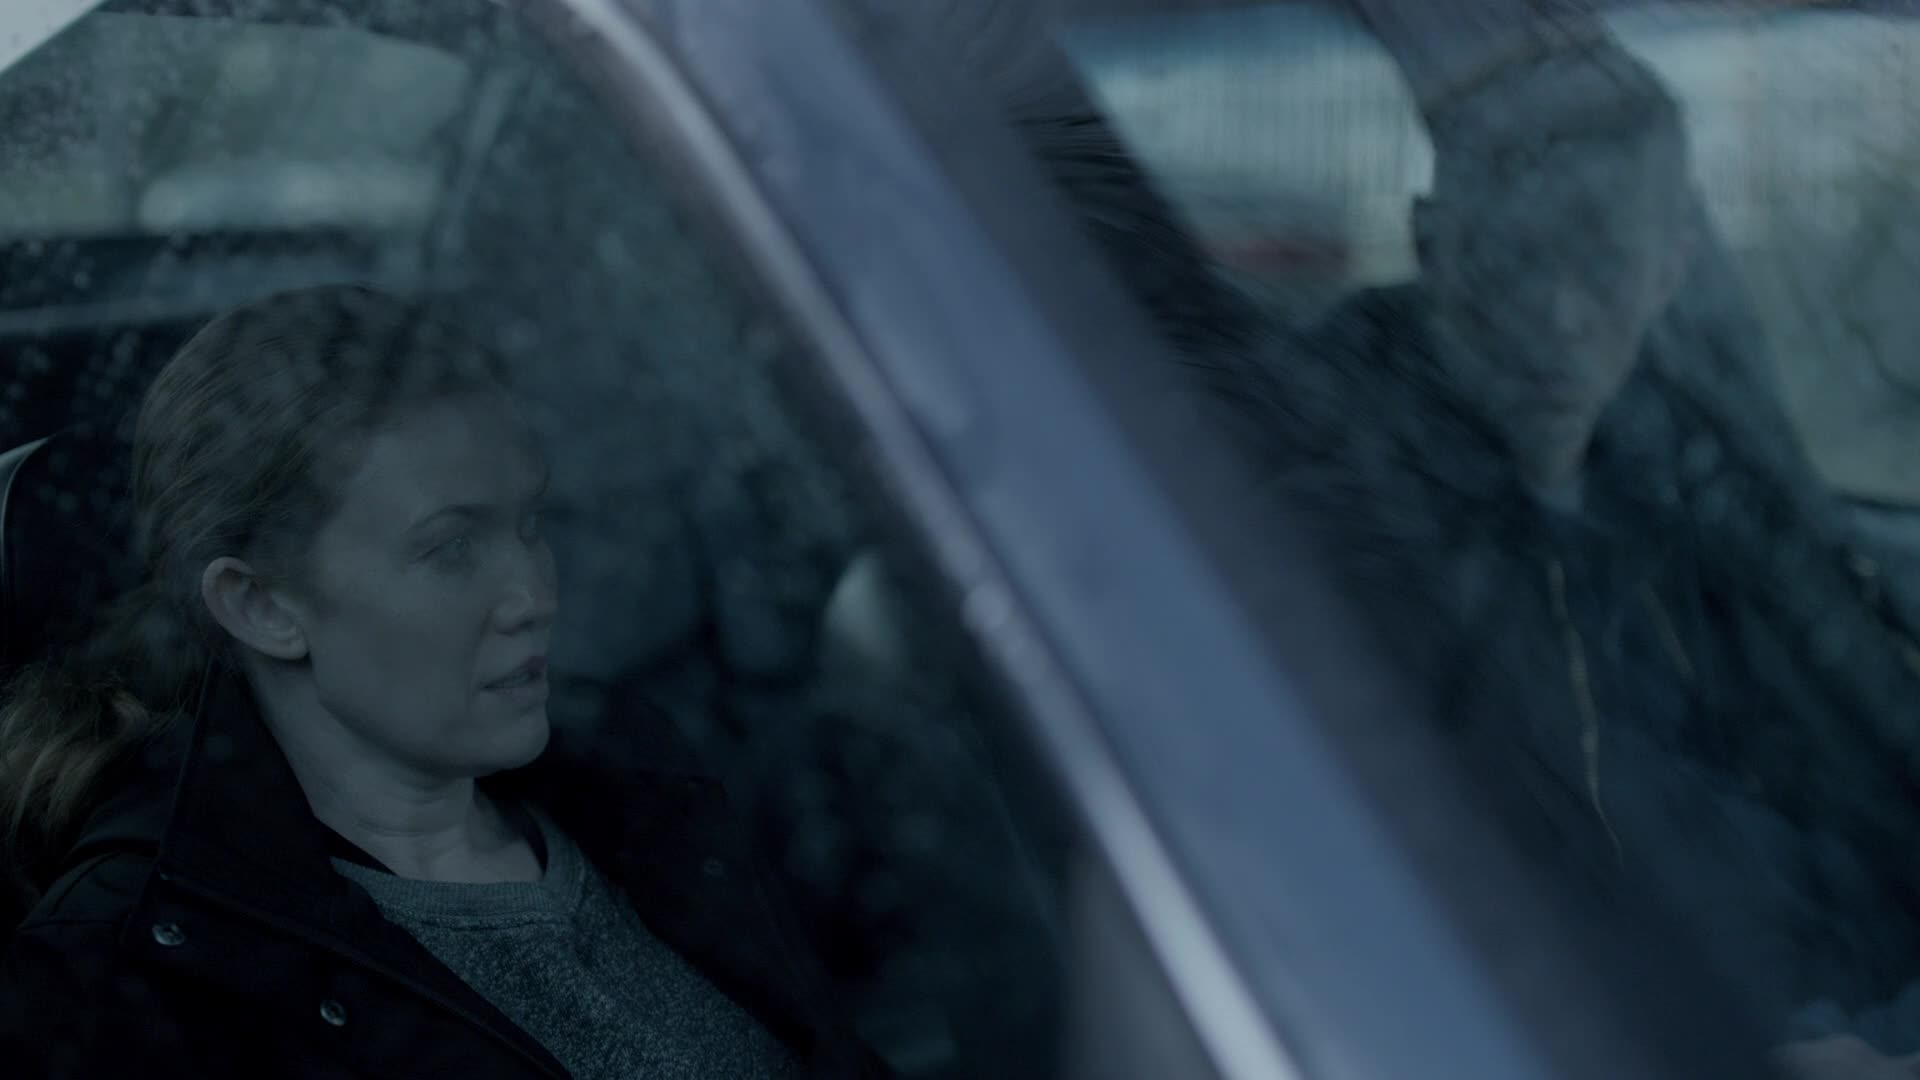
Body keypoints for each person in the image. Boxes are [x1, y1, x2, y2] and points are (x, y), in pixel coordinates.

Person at [1200, 39, 1920, 1059]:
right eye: (1516, 256)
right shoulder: (1320, 505)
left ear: (1671, 268)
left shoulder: (1683, 484)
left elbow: (1820, 801)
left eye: (1603, 262)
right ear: (1433, 243)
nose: (1559, 313)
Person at [0, 285, 887, 1079]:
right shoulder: (136, 986)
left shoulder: (635, 783)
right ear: (261, 605)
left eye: (530, 523)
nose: (536, 594)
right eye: (452, 546)